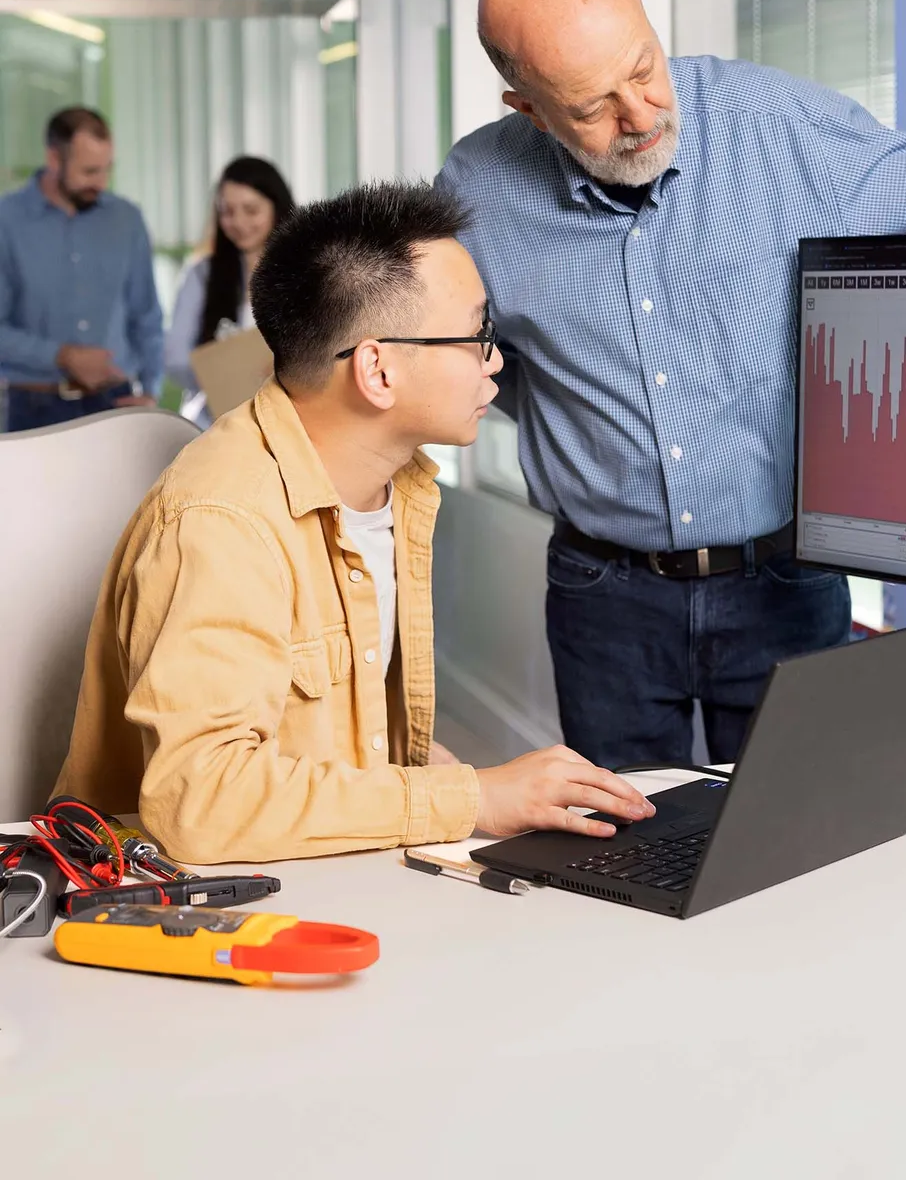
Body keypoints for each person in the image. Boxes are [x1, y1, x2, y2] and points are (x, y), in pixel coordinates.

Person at [437, 0, 906, 770]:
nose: (639, 116)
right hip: (603, 594)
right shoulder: (477, 191)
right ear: (526, 107)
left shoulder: (774, 126)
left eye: (643, 69)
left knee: (803, 840)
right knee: (619, 857)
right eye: (591, 106)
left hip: (784, 580)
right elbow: (463, 356)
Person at [55, 181, 653, 864]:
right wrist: (472, 798)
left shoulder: (395, 485)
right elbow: (201, 800)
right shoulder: (222, 522)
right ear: (377, 369)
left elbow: (354, 737)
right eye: (477, 333)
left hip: (332, 873)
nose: (495, 359)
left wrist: (478, 786)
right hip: (185, 903)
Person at [0, 105, 163, 433]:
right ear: (54, 160)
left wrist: (150, 389)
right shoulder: (7, 221)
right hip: (32, 409)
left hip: (116, 404)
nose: (101, 182)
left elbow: (146, 316)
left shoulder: (127, 220)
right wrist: (62, 356)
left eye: (107, 170)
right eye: (89, 171)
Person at [166, 156, 294, 427]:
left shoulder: (303, 272)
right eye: (227, 211)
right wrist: (224, 374)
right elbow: (175, 357)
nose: (238, 222)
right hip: (214, 423)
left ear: (276, 207)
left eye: (251, 210)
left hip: (287, 419)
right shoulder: (201, 274)